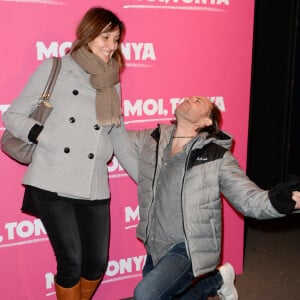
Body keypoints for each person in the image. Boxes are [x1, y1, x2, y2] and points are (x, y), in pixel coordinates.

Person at [2, 7, 137, 300]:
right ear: (88, 34)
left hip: (94, 182)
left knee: (96, 263)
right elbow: (13, 116)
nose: (111, 46)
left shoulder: (112, 83)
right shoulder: (56, 67)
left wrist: (147, 179)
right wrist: (45, 135)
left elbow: (119, 137)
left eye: (116, 39)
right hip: (53, 178)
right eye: (105, 37)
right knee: (71, 261)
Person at [126, 96, 300, 300]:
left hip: (188, 246)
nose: (189, 99)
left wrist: (282, 202)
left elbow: (247, 198)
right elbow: (115, 135)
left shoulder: (216, 156)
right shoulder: (153, 139)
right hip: (156, 245)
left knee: (146, 294)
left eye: (198, 101)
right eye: (189, 97)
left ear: (205, 122)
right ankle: (217, 281)